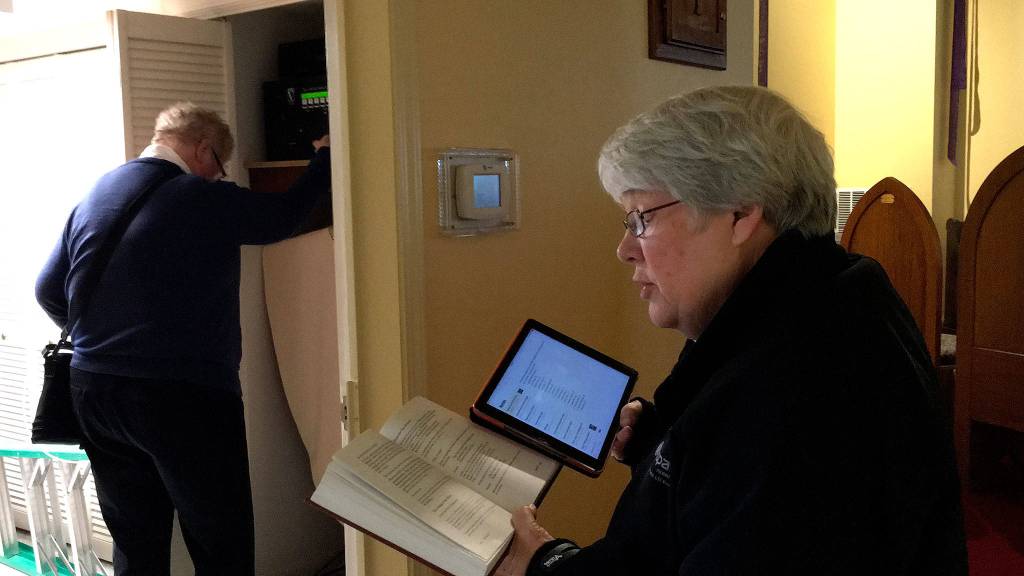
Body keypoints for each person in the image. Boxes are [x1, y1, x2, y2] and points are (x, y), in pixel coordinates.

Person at [496, 86, 967, 576]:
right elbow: (727, 499)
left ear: (741, 214)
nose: (625, 249)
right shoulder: (831, 292)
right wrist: (665, 444)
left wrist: (546, 566)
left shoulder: (796, 389)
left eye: (640, 219)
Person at [35, 102, 331, 576]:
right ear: (203, 149)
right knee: (220, 539)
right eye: (218, 166)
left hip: (93, 389)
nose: (218, 176)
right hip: (182, 396)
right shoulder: (197, 196)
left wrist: (106, 337)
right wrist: (326, 159)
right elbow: (284, 218)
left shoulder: (98, 193)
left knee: (136, 537)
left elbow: (48, 290)